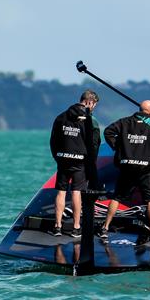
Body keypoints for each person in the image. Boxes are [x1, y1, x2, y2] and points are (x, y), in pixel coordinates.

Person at [100, 100, 150, 242]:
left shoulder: (125, 121)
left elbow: (108, 131)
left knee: (117, 197)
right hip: (146, 168)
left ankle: (105, 227)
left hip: (127, 166)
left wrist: (118, 147)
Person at [49, 90, 100, 238]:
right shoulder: (89, 119)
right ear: (89, 102)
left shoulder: (61, 117)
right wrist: (91, 163)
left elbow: (53, 140)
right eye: (94, 104)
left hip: (63, 158)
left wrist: (58, 157)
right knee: (76, 192)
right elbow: (93, 144)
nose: (94, 107)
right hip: (80, 161)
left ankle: (57, 226)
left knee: (61, 191)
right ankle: (76, 227)